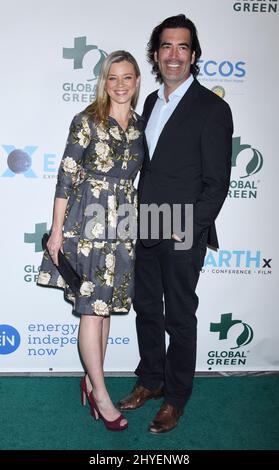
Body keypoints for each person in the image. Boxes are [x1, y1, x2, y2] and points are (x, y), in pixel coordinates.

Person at [118, 14, 233, 433]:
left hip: (182, 229)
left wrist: (191, 226)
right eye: (166, 46)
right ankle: (150, 380)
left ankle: (177, 396)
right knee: (146, 308)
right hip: (144, 222)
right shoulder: (149, 102)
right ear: (155, 53)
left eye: (183, 47)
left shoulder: (213, 108)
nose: (174, 54)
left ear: (194, 55)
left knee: (179, 316)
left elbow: (217, 181)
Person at [37, 50, 144, 431]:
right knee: (91, 309)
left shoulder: (139, 125)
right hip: (88, 224)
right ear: (104, 82)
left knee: (106, 307)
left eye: (127, 77)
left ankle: (92, 381)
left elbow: (139, 179)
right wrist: (56, 230)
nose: (119, 84)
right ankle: (100, 394)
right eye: (112, 77)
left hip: (124, 226)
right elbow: (65, 176)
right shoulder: (86, 121)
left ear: (136, 81)